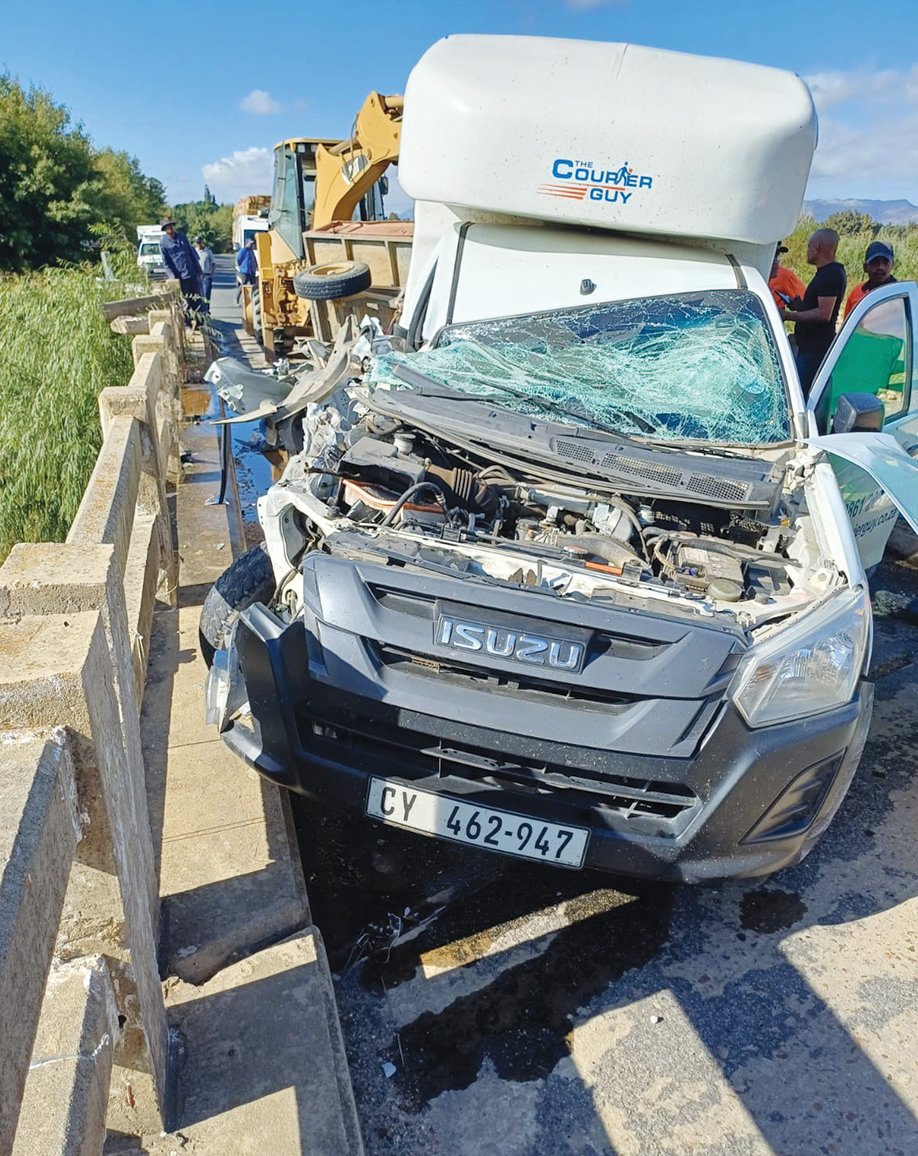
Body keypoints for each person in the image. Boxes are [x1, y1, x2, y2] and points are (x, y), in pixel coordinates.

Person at [779, 228, 846, 397]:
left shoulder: (830, 275)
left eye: (809, 246)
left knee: (802, 396)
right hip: (810, 349)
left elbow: (824, 314)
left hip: (815, 351)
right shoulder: (827, 273)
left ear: (816, 248)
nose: (807, 250)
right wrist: (799, 306)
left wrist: (789, 316)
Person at [160, 218, 203, 322]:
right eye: (167, 227)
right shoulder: (163, 243)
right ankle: (187, 324)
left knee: (197, 299)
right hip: (181, 278)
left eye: (171, 226)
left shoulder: (182, 237)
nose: (170, 228)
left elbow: (192, 254)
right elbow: (166, 263)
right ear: (165, 229)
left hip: (192, 273)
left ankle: (200, 323)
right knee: (185, 302)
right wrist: (173, 278)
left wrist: (198, 270)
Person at [843, 240, 897, 319]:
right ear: (865, 267)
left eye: (885, 262)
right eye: (874, 263)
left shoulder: (901, 294)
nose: (880, 267)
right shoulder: (856, 294)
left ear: (892, 265)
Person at [768, 243, 806, 310]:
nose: (777, 261)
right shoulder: (749, 275)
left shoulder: (784, 275)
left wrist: (796, 305)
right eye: (772, 257)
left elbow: (806, 301)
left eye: (777, 256)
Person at [193, 235, 215, 312]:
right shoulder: (194, 252)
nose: (198, 244)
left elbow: (213, 264)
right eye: (197, 243)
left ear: (202, 242)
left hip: (206, 276)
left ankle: (207, 308)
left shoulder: (208, 252)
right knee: (199, 294)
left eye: (199, 242)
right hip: (198, 276)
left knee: (206, 294)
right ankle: (200, 309)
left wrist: (211, 275)